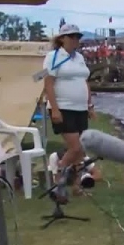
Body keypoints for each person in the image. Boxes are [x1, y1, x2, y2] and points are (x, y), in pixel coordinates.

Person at [42, 24, 93, 187]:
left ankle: (77, 184)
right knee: (75, 147)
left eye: (78, 36)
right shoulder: (53, 56)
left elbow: (85, 81)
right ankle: (58, 172)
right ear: (62, 38)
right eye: (71, 36)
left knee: (80, 149)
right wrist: (55, 109)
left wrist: (89, 105)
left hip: (80, 108)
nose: (75, 39)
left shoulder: (79, 58)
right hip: (63, 107)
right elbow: (48, 83)